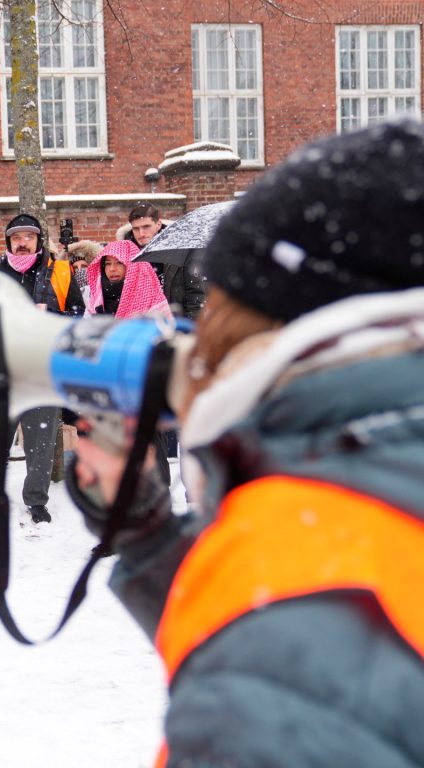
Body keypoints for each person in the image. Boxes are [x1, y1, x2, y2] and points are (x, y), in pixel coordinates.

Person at [72, 119, 424, 768]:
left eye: (219, 301)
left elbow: (290, 653)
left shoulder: (304, 562)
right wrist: (149, 539)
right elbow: (330, 655)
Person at [0, 213, 85, 525]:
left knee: (40, 443)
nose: (22, 243)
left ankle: (37, 501)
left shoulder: (60, 272)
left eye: (28, 237)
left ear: (38, 241)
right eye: (16, 238)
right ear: (8, 243)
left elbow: (78, 315)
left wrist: (51, 313)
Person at [123, 204, 206, 321]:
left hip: (176, 323)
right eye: (136, 228)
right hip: (138, 324)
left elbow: (196, 293)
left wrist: (191, 327)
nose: (141, 233)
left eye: (146, 226)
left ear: (158, 224)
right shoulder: (123, 254)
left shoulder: (181, 249)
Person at [84, 240, 170, 319]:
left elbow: (164, 330)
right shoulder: (96, 296)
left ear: (132, 266)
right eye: (108, 263)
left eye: (119, 263)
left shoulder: (151, 297)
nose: (112, 269)